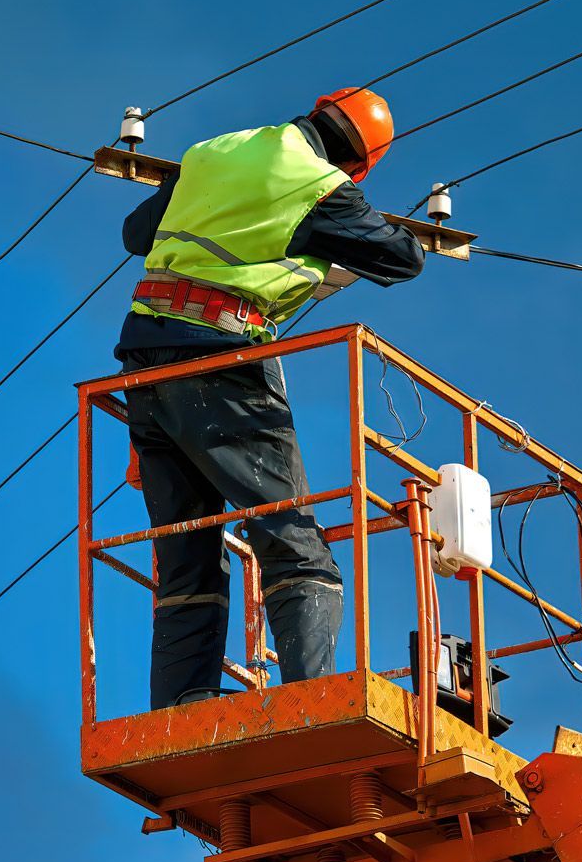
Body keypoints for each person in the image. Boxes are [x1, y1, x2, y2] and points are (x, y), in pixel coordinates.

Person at [117, 88, 424, 710]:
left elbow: (135, 233)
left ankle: (182, 707)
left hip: (145, 361)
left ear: (315, 112)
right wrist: (331, 239)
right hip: (218, 360)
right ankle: (311, 705)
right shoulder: (318, 184)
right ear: (358, 166)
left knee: (187, 549)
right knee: (295, 543)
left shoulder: (214, 151)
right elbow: (403, 258)